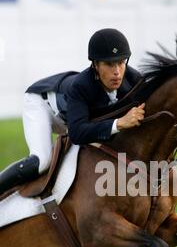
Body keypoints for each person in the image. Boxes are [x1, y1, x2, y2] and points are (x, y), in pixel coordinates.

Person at [0, 28, 145, 196]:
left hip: (75, 115)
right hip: (43, 106)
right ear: (95, 65)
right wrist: (119, 123)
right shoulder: (81, 86)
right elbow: (77, 133)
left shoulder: (134, 79)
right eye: (109, 64)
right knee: (42, 161)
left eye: (121, 62)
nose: (117, 72)